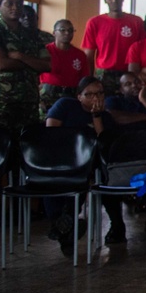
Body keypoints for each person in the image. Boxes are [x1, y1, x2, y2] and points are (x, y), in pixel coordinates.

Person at [45, 76, 120, 250]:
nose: (96, 98)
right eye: (90, 94)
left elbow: (103, 144)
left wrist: (96, 116)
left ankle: (64, 224)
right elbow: (50, 133)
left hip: (88, 164)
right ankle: (61, 222)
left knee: (82, 178)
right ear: (79, 96)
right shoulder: (65, 105)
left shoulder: (105, 117)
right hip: (59, 157)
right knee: (48, 179)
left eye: (100, 93)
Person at [0, 0, 50, 131]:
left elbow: (47, 66)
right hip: (1, 103)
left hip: (28, 103)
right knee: (0, 148)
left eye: (19, 4)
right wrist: (32, 63)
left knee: (27, 146)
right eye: (9, 3)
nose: (15, 7)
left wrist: (20, 56)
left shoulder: (32, 34)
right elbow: (1, 64)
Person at [81, 0, 146, 96]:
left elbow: (144, 51)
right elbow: (89, 56)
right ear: (105, 0)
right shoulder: (94, 22)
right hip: (104, 73)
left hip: (129, 73)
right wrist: (89, 79)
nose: (114, 0)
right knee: (105, 105)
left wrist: (141, 75)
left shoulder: (136, 21)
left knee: (129, 106)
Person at [39, 19, 90, 118]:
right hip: (48, 95)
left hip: (71, 95)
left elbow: (84, 81)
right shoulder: (45, 51)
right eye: (62, 30)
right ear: (54, 33)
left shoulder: (80, 55)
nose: (67, 33)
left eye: (70, 30)